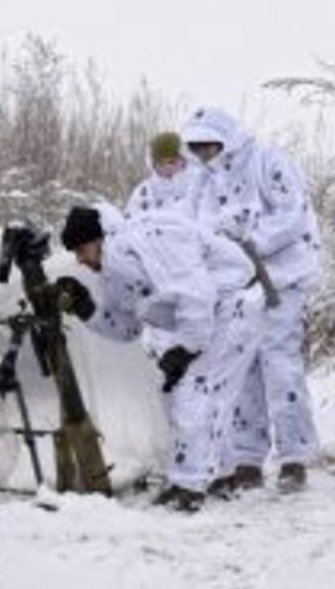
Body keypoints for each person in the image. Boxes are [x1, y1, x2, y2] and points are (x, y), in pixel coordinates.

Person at [52, 204, 265, 512]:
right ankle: (217, 475)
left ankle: (189, 487)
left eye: (82, 250)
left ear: (100, 239)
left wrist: (186, 349)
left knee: (193, 391)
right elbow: (126, 328)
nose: (81, 261)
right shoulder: (114, 269)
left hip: (233, 305)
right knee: (192, 392)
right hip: (210, 316)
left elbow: (196, 293)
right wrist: (87, 308)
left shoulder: (152, 238)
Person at [179, 106, 321, 493]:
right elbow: (193, 225)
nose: (205, 154)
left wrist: (250, 239)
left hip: (281, 279)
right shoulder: (202, 181)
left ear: (223, 138)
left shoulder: (267, 161)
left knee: (280, 364)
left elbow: (292, 213)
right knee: (243, 369)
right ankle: (247, 458)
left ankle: (294, 457)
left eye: (209, 145)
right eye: (198, 148)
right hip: (236, 285)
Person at [127, 130, 201, 220]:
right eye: (160, 164)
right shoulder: (145, 192)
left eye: (171, 162)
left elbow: (209, 219)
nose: (165, 168)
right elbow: (131, 225)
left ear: (183, 160)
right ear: (153, 165)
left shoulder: (197, 184)